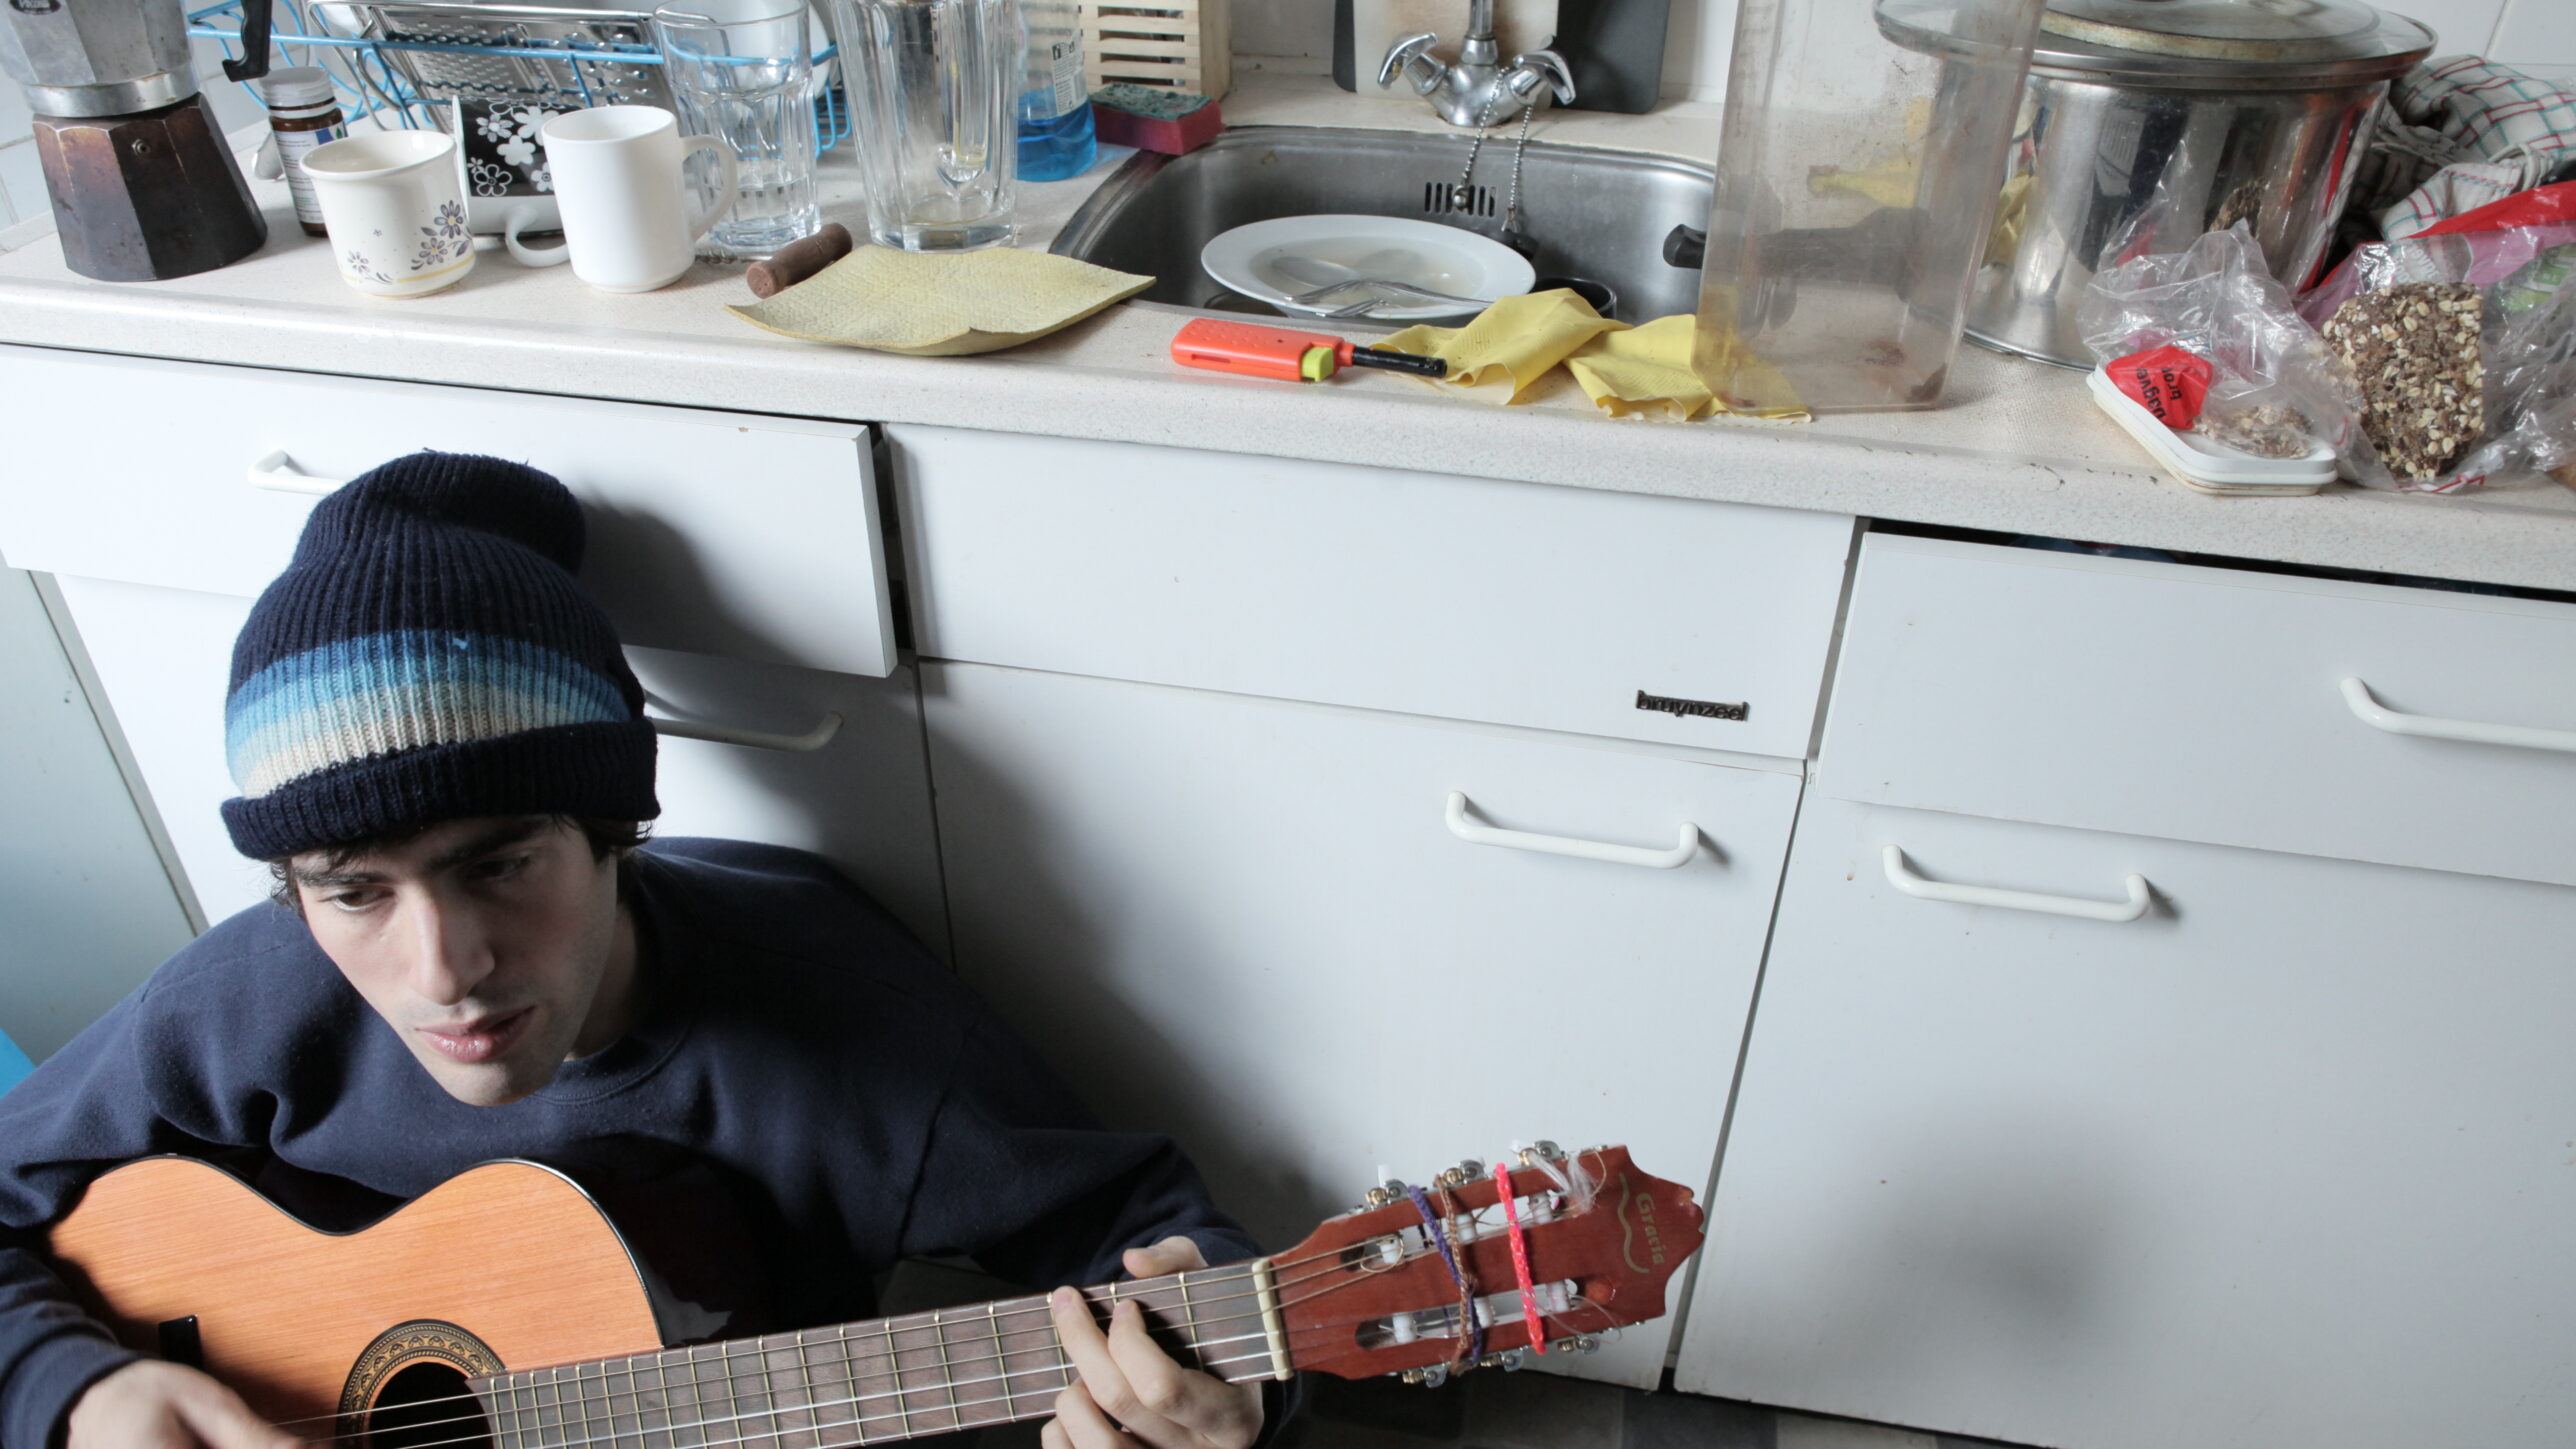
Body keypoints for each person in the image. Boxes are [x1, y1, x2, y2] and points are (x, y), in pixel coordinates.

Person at [0, 453, 1279, 1449]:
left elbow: (1160, 1244)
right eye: (353, 892)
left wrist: (1231, 1411)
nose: (442, 970)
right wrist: (79, 1391)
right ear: (293, 890)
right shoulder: (248, 1002)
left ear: (616, 829)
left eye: (497, 865)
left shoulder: (843, 1034)